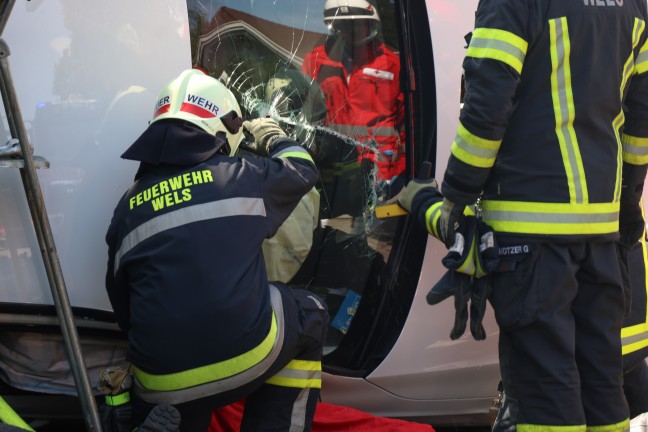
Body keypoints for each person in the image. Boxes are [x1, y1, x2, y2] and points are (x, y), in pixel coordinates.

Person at [397, 1, 648, 430]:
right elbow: (639, 121)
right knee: (601, 386)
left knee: (546, 393)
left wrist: (456, 194)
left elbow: (487, 105)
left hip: (531, 238)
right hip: (601, 235)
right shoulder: (634, 5)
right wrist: (625, 209)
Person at [105, 68, 328, 431]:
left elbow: (123, 304)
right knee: (311, 315)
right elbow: (303, 169)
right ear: (221, 130)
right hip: (243, 359)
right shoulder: (241, 175)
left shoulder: (127, 208)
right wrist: (272, 136)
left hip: (160, 382)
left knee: (180, 384)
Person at [302, 0, 405, 184]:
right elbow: (305, 115)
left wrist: (400, 174)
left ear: (369, 24)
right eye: (344, 25)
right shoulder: (316, 61)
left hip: (381, 175)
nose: (350, 30)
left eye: (356, 24)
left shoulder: (391, 65)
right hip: (333, 174)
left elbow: (408, 127)